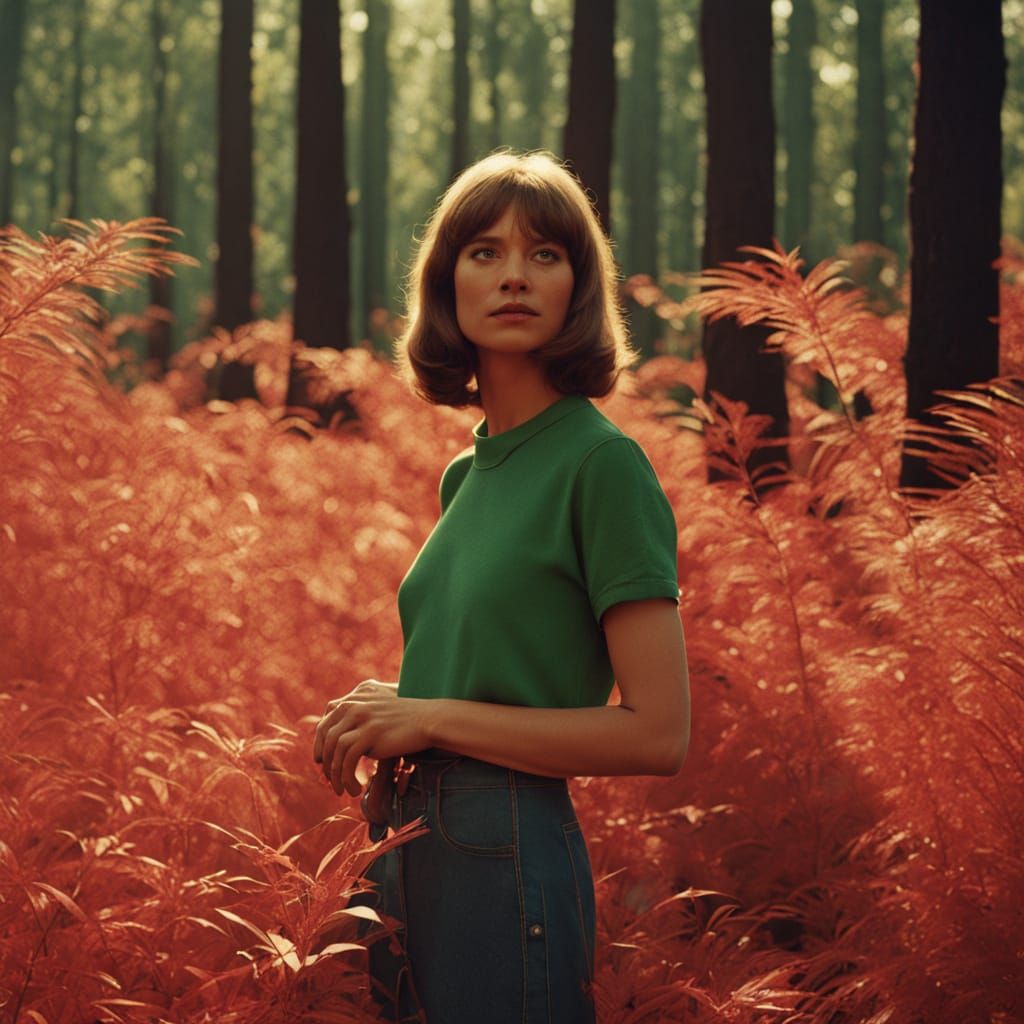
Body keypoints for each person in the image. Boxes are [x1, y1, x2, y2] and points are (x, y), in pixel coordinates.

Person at [313, 150, 691, 1024]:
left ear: (577, 287)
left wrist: (431, 716)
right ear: (446, 286)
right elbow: (499, 667)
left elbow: (659, 732)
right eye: (484, 252)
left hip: (509, 848)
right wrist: (401, 707)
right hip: (411, 841)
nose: (514, 275)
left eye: (544, 254)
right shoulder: (466, 476)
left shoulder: (602, 465)